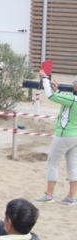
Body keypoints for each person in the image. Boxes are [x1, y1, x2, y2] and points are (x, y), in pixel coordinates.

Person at [35, 71, 77, 205]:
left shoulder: (73, 100)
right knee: (73, 167)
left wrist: (45, 79)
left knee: (53, 163)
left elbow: (51, 96)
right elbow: (62, 98)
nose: (73, 85)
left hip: (65, 135)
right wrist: (57, 90)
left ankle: (49, 195)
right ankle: (71, 197)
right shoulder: (72, 99)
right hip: (75, 136)